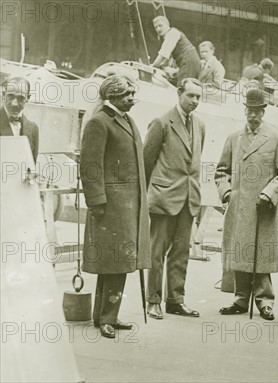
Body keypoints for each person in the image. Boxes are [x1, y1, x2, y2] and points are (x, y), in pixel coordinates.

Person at [79, 75, 151, 339]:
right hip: (110, 207)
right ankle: (107, 318)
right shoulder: (100, 122)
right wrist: (96, 201)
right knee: (115, 263)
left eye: (133, 93)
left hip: (127, 206)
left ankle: (104, 314)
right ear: (113, 96)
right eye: (127, 94)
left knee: (117, 262)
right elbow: (90, 165)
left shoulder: (126, 120)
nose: (132, 98)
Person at [215, 88, 278, 321]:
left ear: (263, 111)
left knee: (261, 254)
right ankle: (240, 298)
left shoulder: (276, 137)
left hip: (263, 207)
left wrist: (270, 193)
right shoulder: (233, 138)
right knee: (240, 253)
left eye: (258, 111)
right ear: (245, 110)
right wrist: (226, 192)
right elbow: (221, 171)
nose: (253, 115)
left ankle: (265, 301)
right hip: (239, 207)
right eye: (250, 110)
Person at [143, 78, 206, 320]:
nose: (195, 101)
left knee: (181, 251)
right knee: (157, 251)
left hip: (189, 198)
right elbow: (146, 162)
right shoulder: (161, 123)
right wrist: (148, 195)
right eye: (190, 96)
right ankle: (153, 300)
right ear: (179, 93)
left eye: (198, 97)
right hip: (164, 198)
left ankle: (176, 300)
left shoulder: (199, 125)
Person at [151, 16, 202, 85]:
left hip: (188, 62)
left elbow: (163, 55)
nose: (158, 29)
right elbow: (166, 61)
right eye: (156, 27)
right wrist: (159, 66)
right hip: (190, 63)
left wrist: (152, 66)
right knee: (172, 83)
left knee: (182, 88)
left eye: (160, 25)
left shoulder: (172, 33)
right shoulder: (170, 35)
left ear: (167, 24)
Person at [0, 76, 39, 162]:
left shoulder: (33, 129)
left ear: (28, 98)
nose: (14, 103)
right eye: (10, 96)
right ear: (3, 95)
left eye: (21, 98)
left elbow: (31, 168)